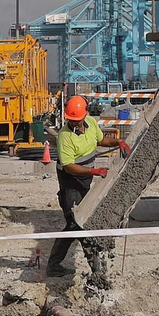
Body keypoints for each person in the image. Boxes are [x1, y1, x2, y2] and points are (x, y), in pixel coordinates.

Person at [45, 95, 128, 278]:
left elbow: (100, 140)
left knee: (74, 225)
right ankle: (95, 269)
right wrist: (95, 172)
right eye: (71, 120)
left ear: (85, 115)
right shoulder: (65, 137)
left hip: (84, 181)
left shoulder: (90, 123)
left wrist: (118, 142)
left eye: (77, 120)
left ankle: (55, 264)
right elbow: (69, 166)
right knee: (77, 224)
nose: (74, 123)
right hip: (70, 183)